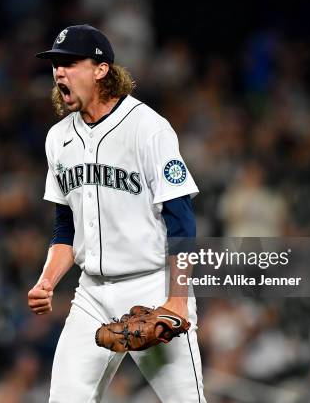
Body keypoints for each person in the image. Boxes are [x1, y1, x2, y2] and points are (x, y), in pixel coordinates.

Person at [29, 24, 206, 402]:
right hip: (91, 294)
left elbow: (182, 221)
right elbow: (65, 228)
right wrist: (47, 281)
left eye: (69, 62)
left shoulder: (148, 128)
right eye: (55, 64)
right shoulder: (58, 138)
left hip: (153, 286)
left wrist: (176, 299)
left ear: (100, 69)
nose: (59, 71)